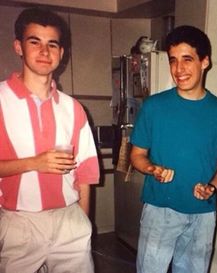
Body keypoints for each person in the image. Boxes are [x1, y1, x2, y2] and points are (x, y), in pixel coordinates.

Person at [0, 7, 99, 273]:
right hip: (19, 223)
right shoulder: (1, 100)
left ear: (61, 53)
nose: (44, 51)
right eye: (35, 42)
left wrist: (83, 222)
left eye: (52, 44)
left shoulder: (73, 108)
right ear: (19, 47)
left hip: (70, 221)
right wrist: (35, 163)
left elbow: (86, 174)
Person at [130, 25, 217, 273]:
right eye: (173, 60)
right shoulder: (154, 107)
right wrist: (152, 168)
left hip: (203, 214)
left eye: (187, 60)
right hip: (159, 210)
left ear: (205, 62)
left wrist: (212, 187)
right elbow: (137, 155)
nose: (179, 69)